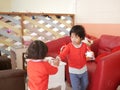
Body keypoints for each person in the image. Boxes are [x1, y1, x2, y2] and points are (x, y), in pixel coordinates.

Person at [56, 25, 94, 90]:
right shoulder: (69, 46)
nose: (73, 39)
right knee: (76, 87)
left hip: (83, 70)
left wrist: (91, 55)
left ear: (81, 38)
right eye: (72, 37)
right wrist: (58, 58)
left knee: (85, 83)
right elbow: (62, 54)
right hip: (73, 72)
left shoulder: (85, 46)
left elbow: (89, 55)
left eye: (76, 37)